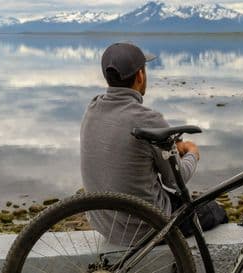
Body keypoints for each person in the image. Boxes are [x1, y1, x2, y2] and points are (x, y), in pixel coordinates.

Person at [81, 43, 227, 246]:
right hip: (145, 227)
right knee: (214, 210)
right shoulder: (148, 119)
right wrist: (193, 153)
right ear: (140, 76)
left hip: (105, 224)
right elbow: (176, 180)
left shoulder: (92, 108)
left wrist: (171, 146)